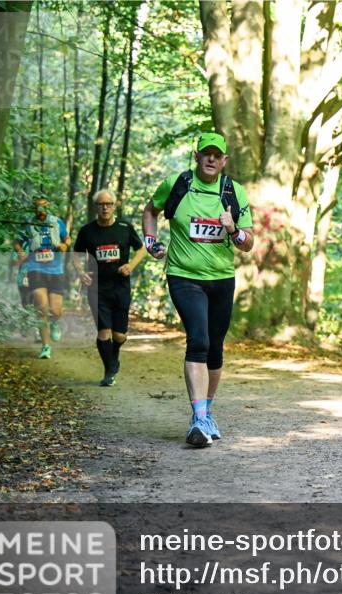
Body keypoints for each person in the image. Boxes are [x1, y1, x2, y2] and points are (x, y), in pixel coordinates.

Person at [142, 132, 254, 447]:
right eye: (206, 153)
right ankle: (199, 417)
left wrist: (233, 229)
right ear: (197, 156)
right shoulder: (177, 184)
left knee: (216, 349)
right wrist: (150, 241)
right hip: (183, 275)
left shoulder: (234, 192)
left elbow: (248, 244)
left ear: (224, 160)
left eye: (217, 155)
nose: (211, 159)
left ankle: (207, 411)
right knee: (199, 340)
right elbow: (151, 211)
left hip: (221, 279)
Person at [73, 190, 147, 386]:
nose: (105, 207)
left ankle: (114, 353)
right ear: (96, 207)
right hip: (97, 288)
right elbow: (76, 254)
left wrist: (130, 265)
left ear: (114, 206)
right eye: (101, 204)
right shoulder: (87, 231)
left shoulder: (124, 228)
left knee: (119, 335)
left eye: (109, 204)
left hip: (120, 286)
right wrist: (81, 272)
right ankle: (109, 371)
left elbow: (141, 249)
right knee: (103, 332)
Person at [13, 195, 70, 359]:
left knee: (55, 310)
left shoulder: (56, 222)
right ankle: (46, 346)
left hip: (55, 270)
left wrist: (64, 245)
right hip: (35, 268)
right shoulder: (28, 224)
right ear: (33, 208)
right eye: (37, 207)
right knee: (41, 307)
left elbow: (67, 238)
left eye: (43, 207)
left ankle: (55, 322)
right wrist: (20, 251)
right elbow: (17, 241)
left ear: (48, 207)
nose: (40, 210)